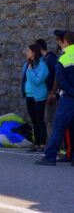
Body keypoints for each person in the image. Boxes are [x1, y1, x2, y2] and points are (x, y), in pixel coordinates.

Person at [35, 32, 74, 166]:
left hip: (68, 98)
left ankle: (50, 156)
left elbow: (61, 80)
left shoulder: (63, 58)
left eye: (59, 41)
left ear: (65, 42)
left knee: (59, 127)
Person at [22, 44, 49, 152]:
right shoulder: (27, 64)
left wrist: (31, 71)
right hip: (29, 95)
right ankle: (36, 143)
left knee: (39, 120)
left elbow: (38, 81)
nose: (26, 52)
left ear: (33, 52)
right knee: (33, 120)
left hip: (38, 96)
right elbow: (25, 80)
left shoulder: (42, 65)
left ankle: (42, 143)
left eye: (28, 50)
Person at [34, 39, 58, 141]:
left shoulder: (50, 60)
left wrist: (52, 92)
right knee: (47, 119)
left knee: (50, 119)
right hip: (48, 92)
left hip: (51, 93)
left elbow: (56, 77)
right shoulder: (46, 59)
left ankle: (54, 144)